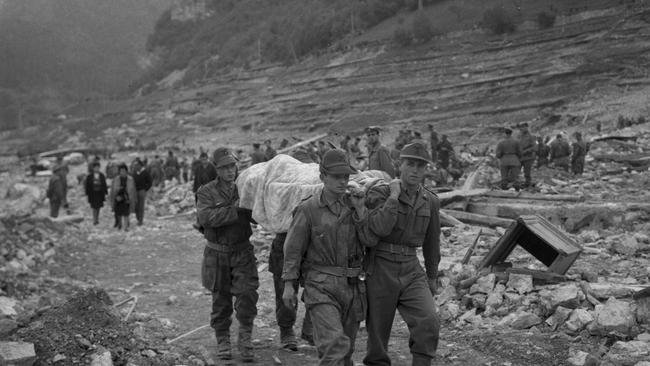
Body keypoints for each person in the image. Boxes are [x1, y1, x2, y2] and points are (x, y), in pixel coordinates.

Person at [282, 149, 375, 366]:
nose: (342, 181)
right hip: (320, 286)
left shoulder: (356, 206)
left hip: (352, 288)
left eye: (345, 176)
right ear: (323, 177)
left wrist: (361, 210)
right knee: (334, 347)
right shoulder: (309, 209)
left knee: (347, 353)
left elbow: (370, 241)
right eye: (336, 176)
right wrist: (289, 285)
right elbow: (293, 249)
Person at [363, 142, 441, 366]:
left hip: (411, 267)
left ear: (426, 169)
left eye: (420, 166)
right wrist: (393, 197)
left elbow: (431, 242)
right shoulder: (381, 193)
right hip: (380, 266)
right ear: (400, 165)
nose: (415, 170)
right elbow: (378, 229)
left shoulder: (431, 201)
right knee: (378, 329)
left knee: (428, 319)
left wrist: (432, 276)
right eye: (410, 164)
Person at [196, 148, 258, 362]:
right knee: (221, 300)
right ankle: (223, 339)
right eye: (224, 167)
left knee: (248, 295)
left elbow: (256, 215)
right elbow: (205, 218)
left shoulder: (245, 188)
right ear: (217, 169)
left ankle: (246, 336)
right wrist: (235, 210)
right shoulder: (206, 192)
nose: (230, 171)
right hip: (217, 254)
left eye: (232, 166)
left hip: (243, 251)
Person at [269, 232, 313, 350]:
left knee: (318, 285)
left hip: (314, 239)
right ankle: (286, 329)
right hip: (285, 239)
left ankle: (311, 327)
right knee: (285, 289)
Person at [110, 163, 136, 231]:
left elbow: (133, 190)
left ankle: (126, 227)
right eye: (121, 171)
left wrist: (133, 199)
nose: (123, 172)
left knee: (126, 213)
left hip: (127, 198)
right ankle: (120, 224)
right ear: (119, 171)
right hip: (118, 198)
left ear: (126, 171)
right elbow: (113, 190)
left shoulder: (131, 179)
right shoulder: (116, 179)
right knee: (118, 213)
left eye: (124, 171)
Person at [132, 159, 153, 226]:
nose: (135, 166)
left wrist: (145, 189)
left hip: (141, 191)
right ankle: (138, 218)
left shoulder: (145, 173)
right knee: (136, 206)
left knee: (141, 206)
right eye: (135, 165)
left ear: (140, 166)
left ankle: (140, 221)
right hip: (135, 191)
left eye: (137, 165)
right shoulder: (134, 173)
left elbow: (149, 182)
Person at [518, 123, 536, 187]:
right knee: (516, 171)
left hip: (528, 157)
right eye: (520, 127)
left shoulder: (531, 136)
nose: (521, 129)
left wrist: (526, 151)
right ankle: (516, 184)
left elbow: (534, 147)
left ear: (526, 127)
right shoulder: (519, 135)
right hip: (520, 157)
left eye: (523, 127)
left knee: (527, 172)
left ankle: (528, 184)